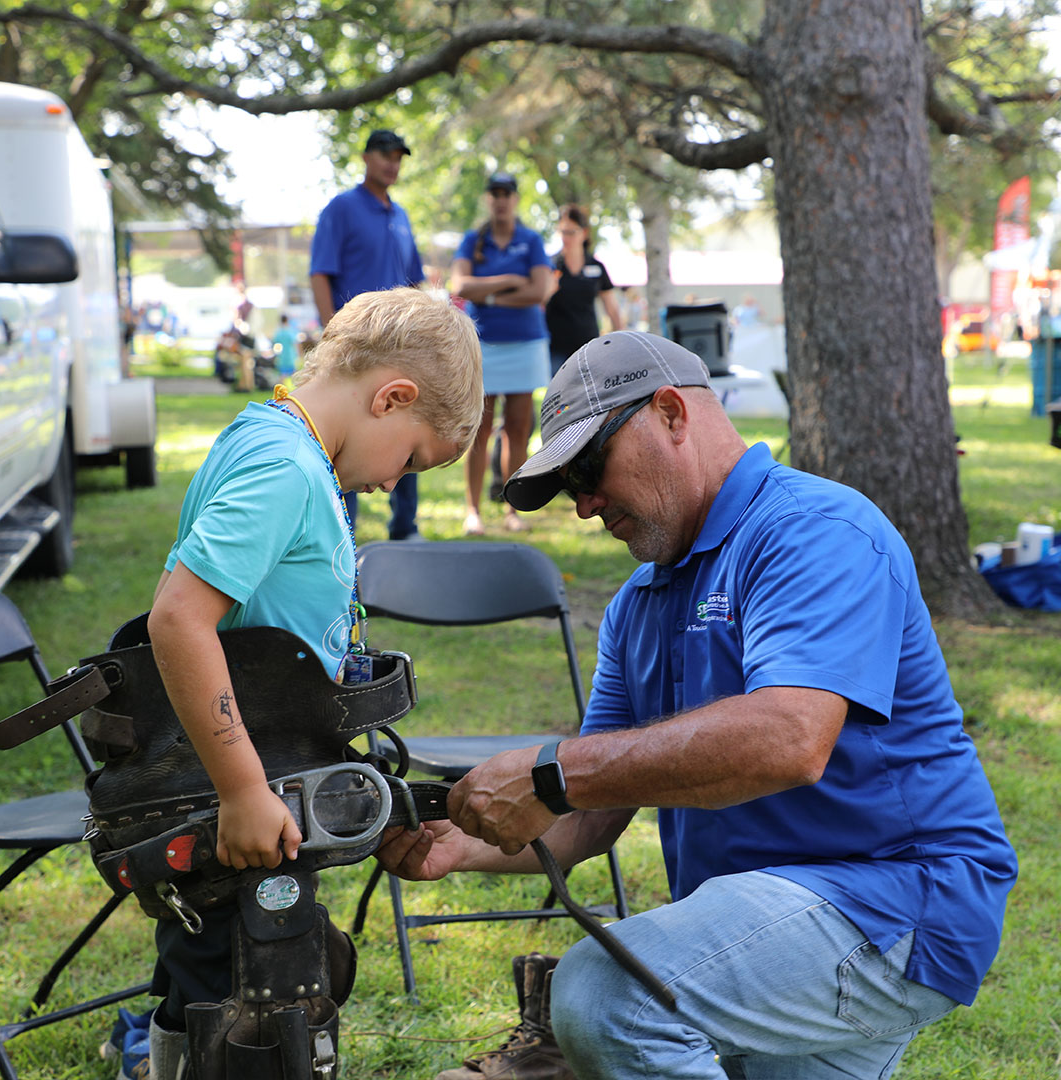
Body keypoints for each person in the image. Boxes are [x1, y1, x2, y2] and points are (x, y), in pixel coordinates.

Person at [378, 330, 1018, 1080]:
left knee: (610, 993)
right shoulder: (635, 604)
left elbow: (789, 738)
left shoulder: (812, 531)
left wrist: (553, 771)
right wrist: (461, 848)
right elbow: (589, 815)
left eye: (588, 468)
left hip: (896, 903)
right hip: (778, 922)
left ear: (673, 413)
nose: (584, 505)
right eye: (567, 487)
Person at [144, 287, 483, 1076]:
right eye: (412, 460)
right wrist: (242, 790)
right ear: (392, 397)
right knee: (245, 999)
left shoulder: (274, 443)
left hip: (268, 783)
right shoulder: (286, 468)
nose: (396, 484)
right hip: (238, 792)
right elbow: (178, 619)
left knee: (206, 976)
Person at [309, 128, 426, 540]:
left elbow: (416, 283)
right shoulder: (341, 208)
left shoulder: (401, 216)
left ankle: (405, 525)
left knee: (410, 425)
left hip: (400, 345)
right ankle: (343, 531)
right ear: (365, 157)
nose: (391, 163)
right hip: (355, 346)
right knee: (344, 433)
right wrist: (331, 333)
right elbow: (320, 270)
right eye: (384, 154)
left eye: (398, 156)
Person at [451, 171, 553, 535]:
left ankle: (513, 509)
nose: (500, 199)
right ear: (487, 198)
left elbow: (539, 290)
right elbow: (460, 285)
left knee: (517, 429)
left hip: (525, 343)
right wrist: (510, 282)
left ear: (516, 198)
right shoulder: (472, 240)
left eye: (507, 192)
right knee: (478, 428)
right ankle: (473, 511)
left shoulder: (531, 239)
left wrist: (487, 294)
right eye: (494, 193)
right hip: (484, 345)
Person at [545, 203, 625, 378]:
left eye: (571, 232)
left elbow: (612, 308)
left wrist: (620, 342)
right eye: (563, 232)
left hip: (588, 346)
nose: (567, 238)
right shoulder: (551, 265)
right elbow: (537, 304)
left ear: (584, 233)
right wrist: (547, 291)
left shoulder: (596, 267)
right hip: (556, 348)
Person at [271, 311, 299, 383]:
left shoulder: (278, 332)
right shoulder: (290, 331)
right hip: (290, 356)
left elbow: (275, 344)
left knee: (282, 375)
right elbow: (295, 343)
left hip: (281, 356)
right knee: (293, 374)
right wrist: (298, 353)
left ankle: (281, 389)